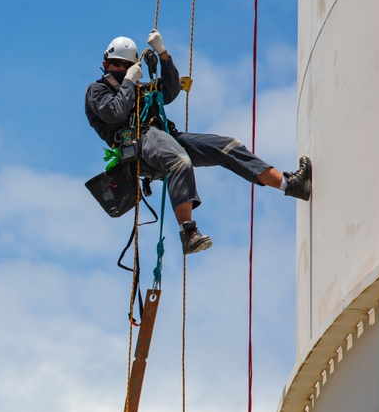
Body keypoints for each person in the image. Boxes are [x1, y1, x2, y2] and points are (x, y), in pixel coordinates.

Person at [85, 30, 312, 254]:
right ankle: (188, 234)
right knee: (179, 160)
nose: (122, 69)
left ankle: (289, 184)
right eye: (117, 64)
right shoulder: (97, 91)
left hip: (163, 137)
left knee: (225, 147)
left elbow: (170, 91)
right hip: (138, 144)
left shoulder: (138, 90)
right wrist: (128, 82)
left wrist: (163, 54)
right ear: (105, 64)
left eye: (127, 65)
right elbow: (115, 112)